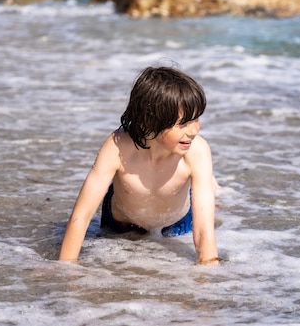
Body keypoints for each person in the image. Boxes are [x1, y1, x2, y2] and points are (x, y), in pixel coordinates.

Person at [59, 66, 219, 265]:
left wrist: (210, 273)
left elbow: (204, 231)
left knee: (204, 197)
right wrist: (64, 269)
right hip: (123, 222)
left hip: (176, 222)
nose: (194, 130)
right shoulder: (118, 146)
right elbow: (81, 216)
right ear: (148, 123)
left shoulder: (197, 150)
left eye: (195, 119)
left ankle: (211, 184)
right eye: (183, 124)